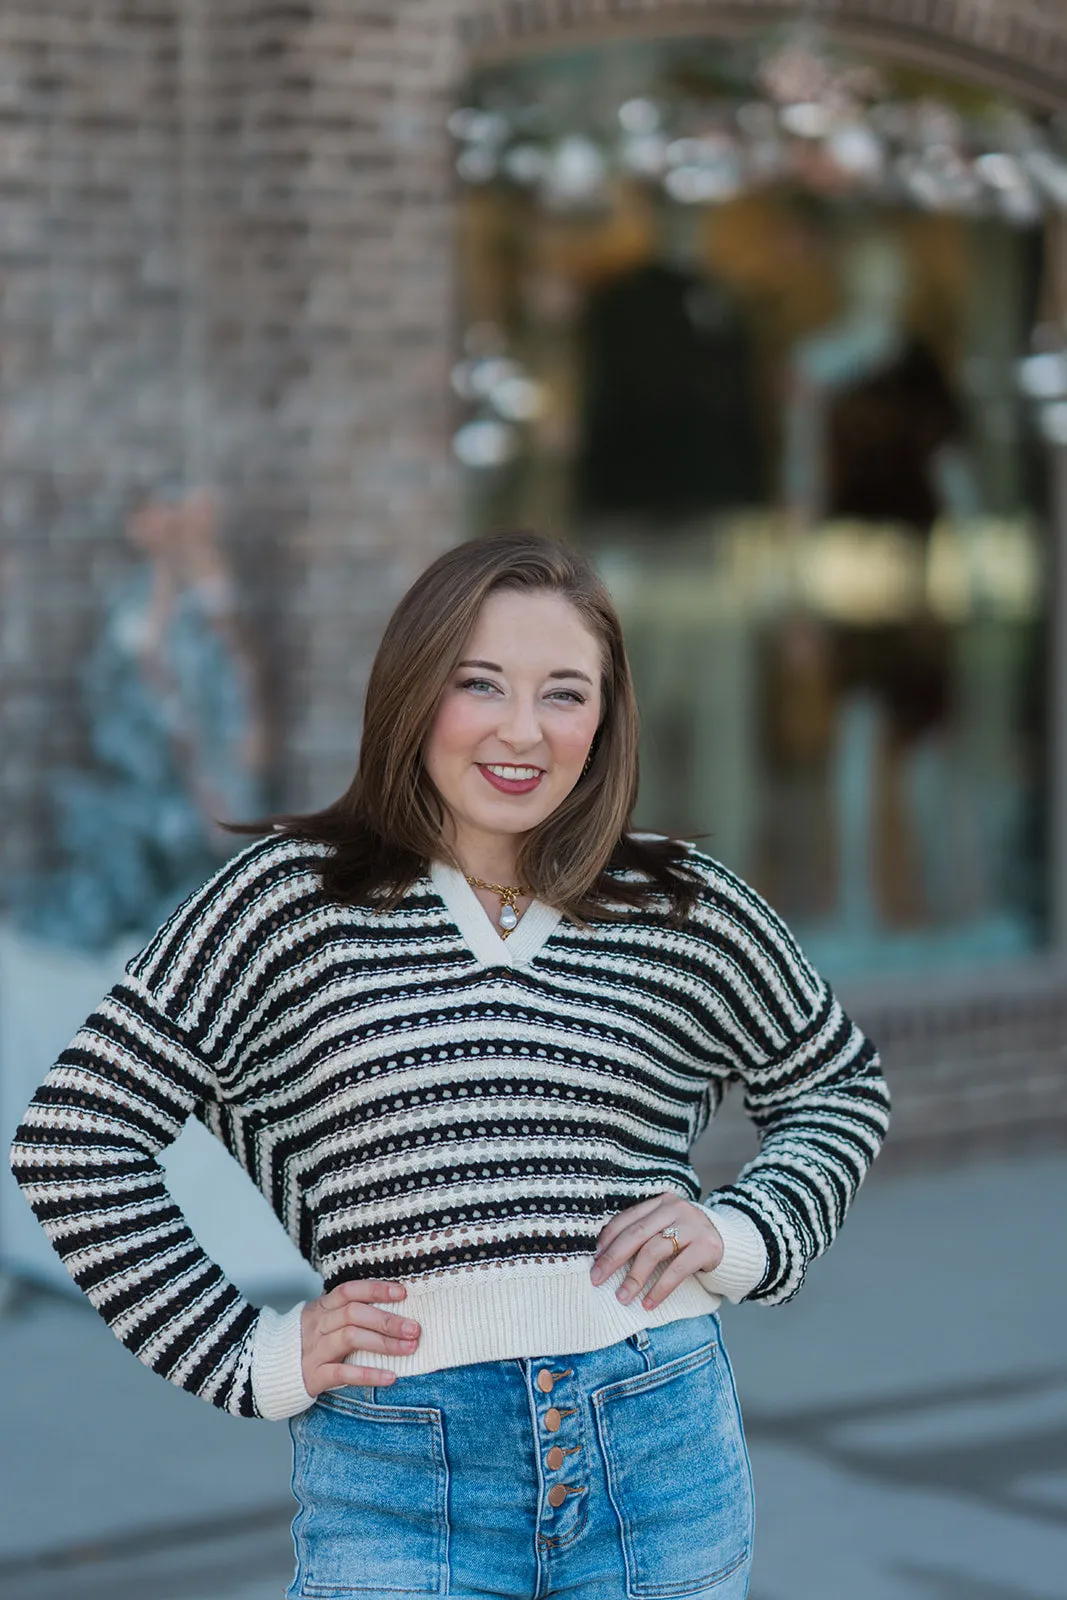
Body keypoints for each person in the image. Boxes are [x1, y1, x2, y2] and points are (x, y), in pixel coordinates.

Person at [10, 530, 890, 1600]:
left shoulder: (678, 902)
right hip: (396, 1477)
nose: (523, 731)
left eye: (564, 694)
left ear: (604, 717)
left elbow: (837, 1086)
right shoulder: (287, 902)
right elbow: (72, 1139)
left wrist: (747, 1230)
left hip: (658, 1457)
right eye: (481, 685)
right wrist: (249, 1353)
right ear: (414, 691)